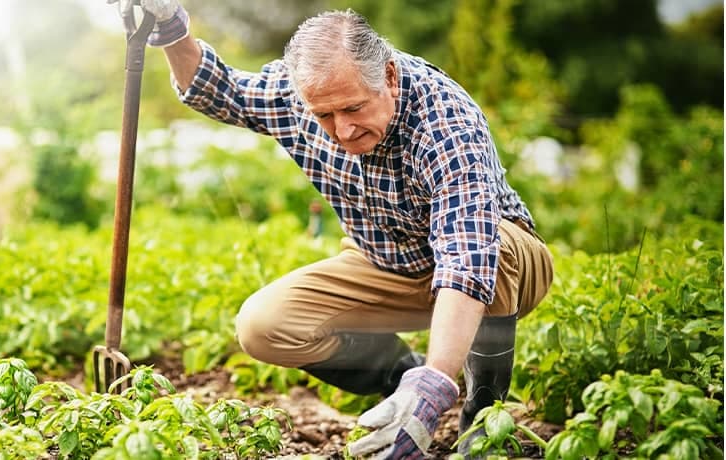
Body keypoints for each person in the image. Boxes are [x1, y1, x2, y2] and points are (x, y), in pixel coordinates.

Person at [128, 1, 554, 458]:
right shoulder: (301, 98)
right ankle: (402, 383)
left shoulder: (445, 123)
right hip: (386, 263)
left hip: (497, 272)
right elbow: (218, 89)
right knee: (263, 326)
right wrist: (170, 26)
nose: (343, 130)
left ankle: (482, 421)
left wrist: (436, 385)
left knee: (494, 247)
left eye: (353, 108)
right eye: (325, 116)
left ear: (389, 77)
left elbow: (467, 259)